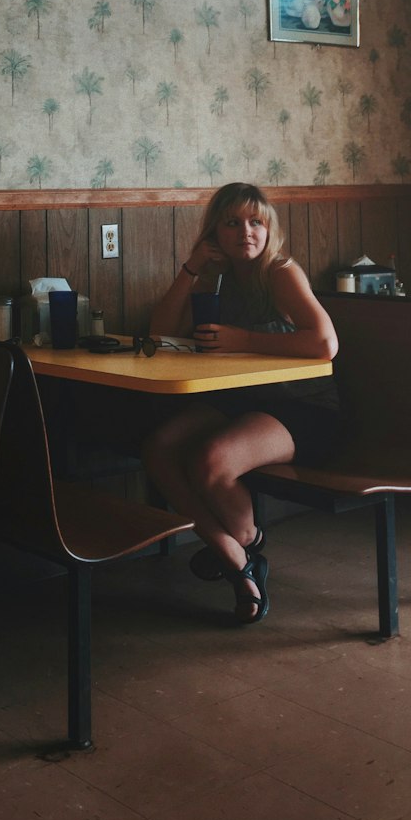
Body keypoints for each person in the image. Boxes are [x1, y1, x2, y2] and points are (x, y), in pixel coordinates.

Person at [143, 183, 339, 625]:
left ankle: (243, 551)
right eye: (232, 223)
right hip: (244, 398)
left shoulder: (281, 272)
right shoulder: (216, 276)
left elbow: (326, 343)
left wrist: (242, 339)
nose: (245, 232)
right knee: (159, 448)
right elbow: (159, 333)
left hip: (304, 406)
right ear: (214, 232)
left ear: (270, 230)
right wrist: (191, 267)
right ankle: (237, 554)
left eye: (256, 222)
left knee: (211, 461)